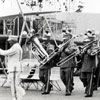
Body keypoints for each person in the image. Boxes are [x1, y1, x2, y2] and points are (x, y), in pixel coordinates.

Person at [0, 35, 25, 100]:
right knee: (12, 83)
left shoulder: (15, 47)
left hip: (14, 68)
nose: (9, 42)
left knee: (14, 84)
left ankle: (16, 98)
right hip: (14, 68)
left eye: (10, 41)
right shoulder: (15, 46)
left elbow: (5, 53)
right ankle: (20, 94)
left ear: (13, 41)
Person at [60, 30, 77, 96]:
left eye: (65, 40)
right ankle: (70, 86)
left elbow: (71, 52)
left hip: (69, 64)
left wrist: (64, 49)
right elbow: (58, 55)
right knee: (62, 77)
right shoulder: (62, 46)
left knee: (68, 78)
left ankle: (68, 90)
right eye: (63, 40)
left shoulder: (72, 45)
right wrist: (59, 50)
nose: (64, 41)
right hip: (62, 64)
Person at [39, 30, 53, 95]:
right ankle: (49, 85)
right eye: (43, 39)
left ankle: (46, 90)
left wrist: (46, 50)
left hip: (47, 65)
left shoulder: (50, 47)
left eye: (45, 40)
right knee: (41, 77)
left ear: (48, 40)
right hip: (42, 64)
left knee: (47, 78)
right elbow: (39, 54)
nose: (44, 41)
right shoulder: (41, 46)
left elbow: (51, 55)